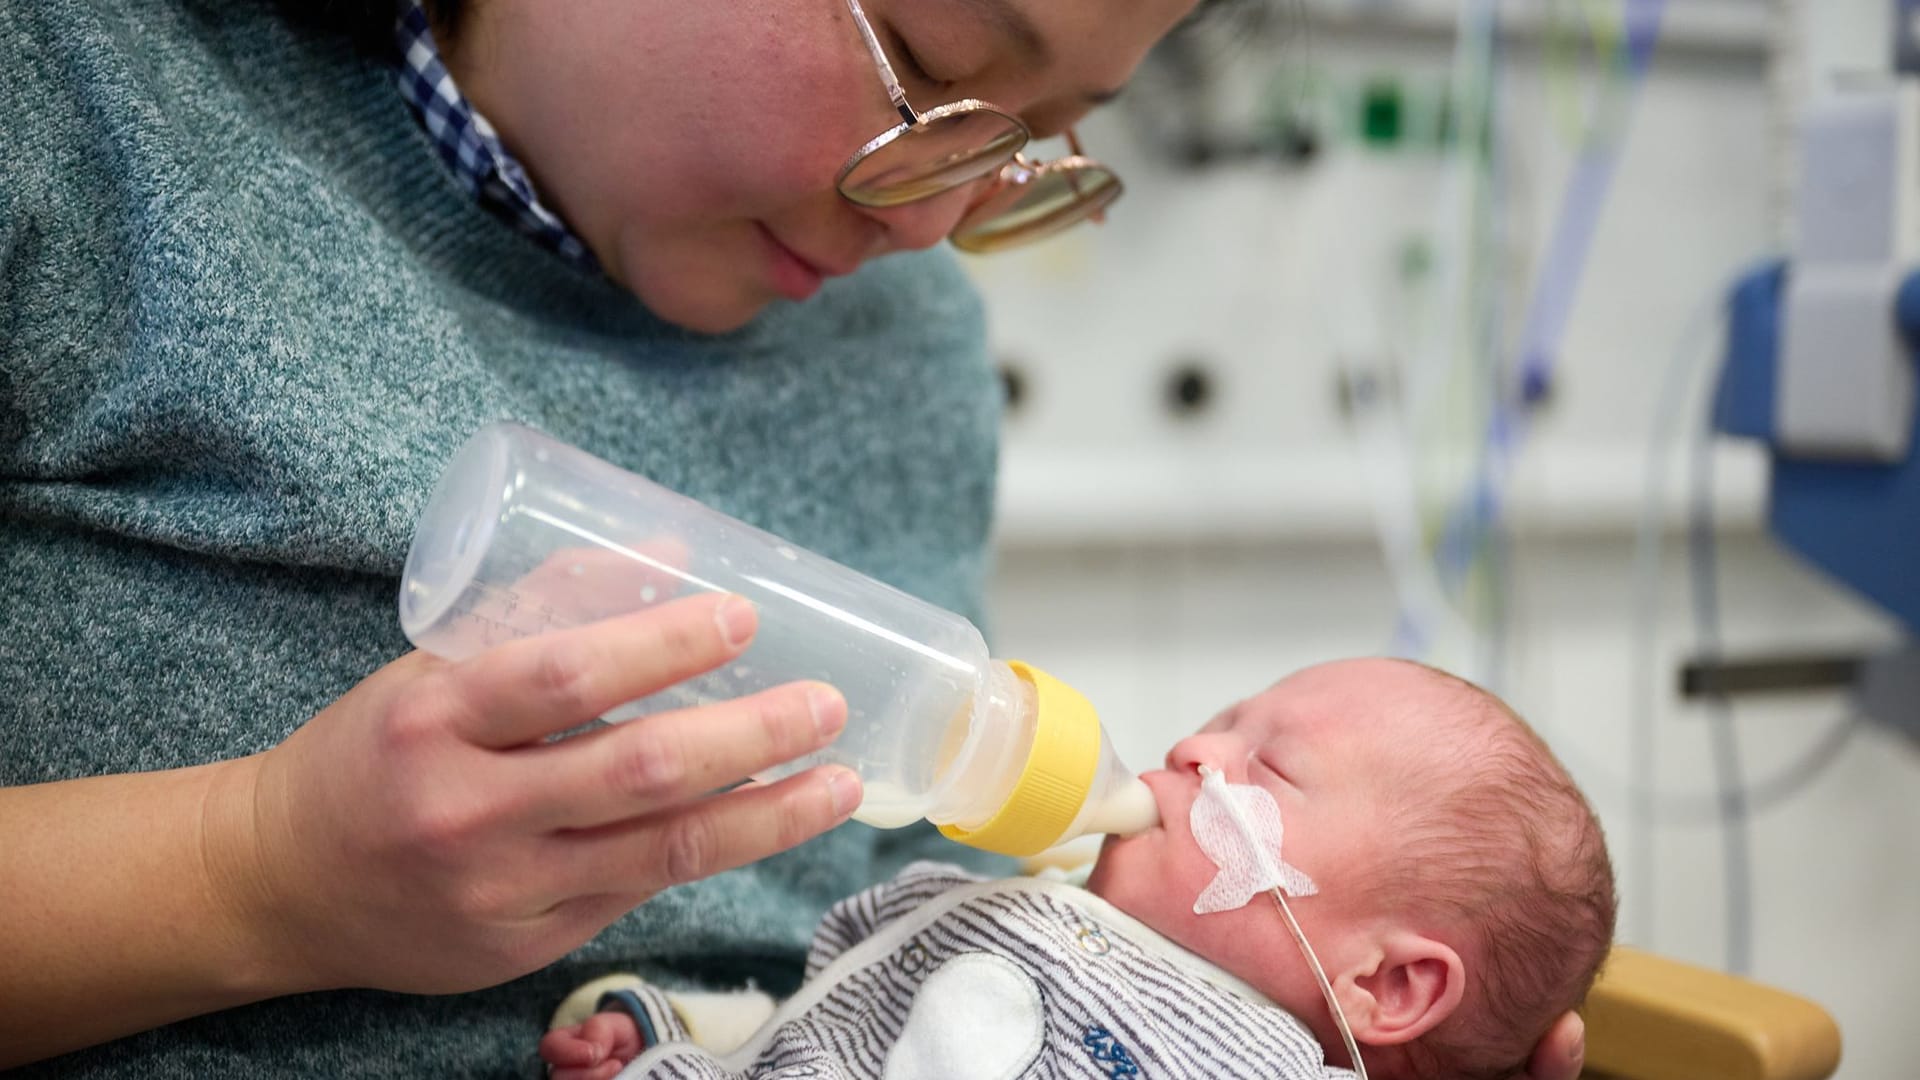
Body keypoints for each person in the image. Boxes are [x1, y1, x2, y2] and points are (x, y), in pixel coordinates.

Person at [0, 0, 1588, 1074]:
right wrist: (258, 871)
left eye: (1029, 134)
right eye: (928, 59)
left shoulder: (903, 349)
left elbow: (854, 902)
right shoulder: (71, 110)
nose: (932, 223)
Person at [537, 658, 1616, 1080]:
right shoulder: (1053, 921)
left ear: (1384, 986)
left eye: (1267, 767)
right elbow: (833, 1017)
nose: (1196, 750)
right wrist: (680, 1030)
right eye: (1223, 720)